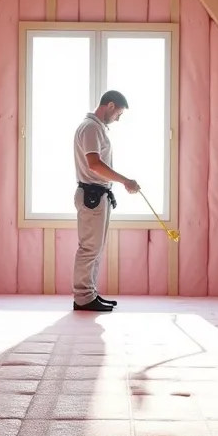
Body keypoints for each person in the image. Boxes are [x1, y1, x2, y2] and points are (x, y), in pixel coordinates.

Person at [72, 89, 140, 312]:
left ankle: (89, 294)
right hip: (92, 195)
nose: (118, 119)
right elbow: (95, 164)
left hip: (98, 195)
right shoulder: (91, 128)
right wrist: (125, 181)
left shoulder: (96, 128)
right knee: (90, 249)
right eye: (118, 113)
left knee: (95, 248)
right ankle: (83, 298)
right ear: (109, 106)